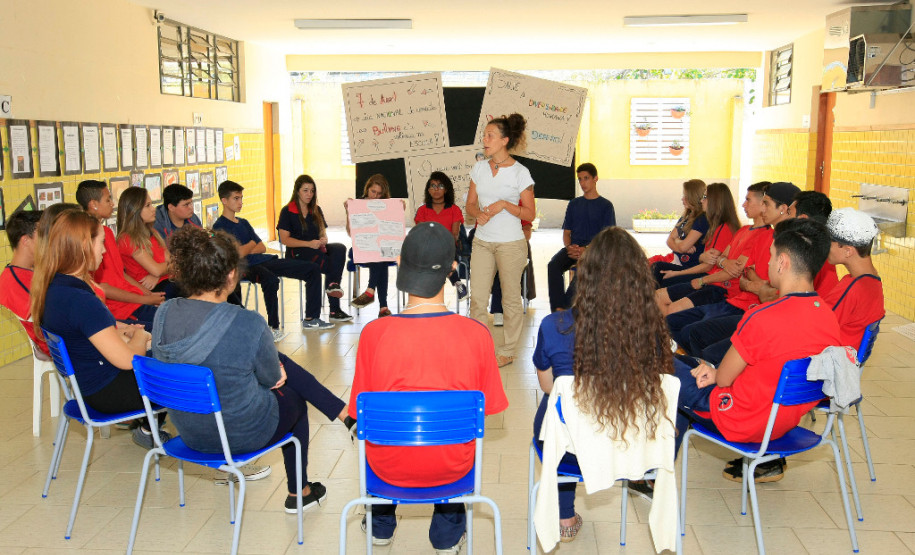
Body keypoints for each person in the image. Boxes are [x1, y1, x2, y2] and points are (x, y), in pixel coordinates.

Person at [151, 226, 355, 513]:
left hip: (190, 432)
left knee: (274, 361)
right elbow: (273, 380)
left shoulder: (164, 313)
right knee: (294, 396)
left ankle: (343, 414)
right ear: (233, 274)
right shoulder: (246, 322)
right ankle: (300, 491)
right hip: (239, 434)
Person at [348, 222, 509, 551]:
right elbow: (489, 408)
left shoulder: (373, 335)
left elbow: (358, 414)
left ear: (399, 265)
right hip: (451, 468)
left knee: (381, 436)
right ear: (453, 269)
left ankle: (380, 526)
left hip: (388, 468)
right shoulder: (478, 335)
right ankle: (447, 535)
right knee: (451, 440)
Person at [673, 218, 840, 483]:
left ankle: (650, 473)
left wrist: (715, 372)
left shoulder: (762, 315)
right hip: (784, 420)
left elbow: (725, 379)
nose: (769, 263)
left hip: (739, 419)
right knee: (688, 363)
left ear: (783, 263)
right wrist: (713, 371)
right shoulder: (829, 317)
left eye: (772, 257)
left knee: (659, 367)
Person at [533, 227, 673, 541]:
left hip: (567, 450)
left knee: (557, 403)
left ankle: (565, 516)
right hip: (627, 446)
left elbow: (547, 387)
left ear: (585, 274)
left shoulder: (554, 326)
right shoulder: (652, 330)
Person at [29, 209, 167, 449]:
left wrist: (124, 332)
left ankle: (149, 429)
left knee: (164, 350)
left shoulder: (55, 288)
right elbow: (128, 360)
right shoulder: (81, 300)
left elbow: (92, 333)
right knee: (185, 364)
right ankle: (198, 439)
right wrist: (140, 335)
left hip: (88, 388)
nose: (104, 250)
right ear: (84, 246)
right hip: (107, 393)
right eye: (101, 243)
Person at [667, 181, 798, 353]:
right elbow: (729, 263)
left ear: (783, 208)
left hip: (740, 301)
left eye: (765, 203)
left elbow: (752, 279)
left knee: (692, 332)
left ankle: (701, 371)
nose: (761, 208)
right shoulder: (747, 231)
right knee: (673, 321)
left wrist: (705, 278)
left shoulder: (775, 238)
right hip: (735, 298)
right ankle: (695, 368)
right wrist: (725, 264)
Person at [213, 180, 329, 337]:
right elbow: (236, 255)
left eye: (241, 198)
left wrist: (246, 247)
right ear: (224, 201)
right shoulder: (220, 226)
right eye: (236, 198)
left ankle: (311, 318)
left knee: (312, 269)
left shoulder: (244, 222)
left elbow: (261, 247)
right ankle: (273, 328)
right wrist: (250, 245)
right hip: (245, 266)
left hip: (264, 259)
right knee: (271, 280)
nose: (240, 202)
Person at [465, 113, 535, 367]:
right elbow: (470, 205)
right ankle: (480, 348)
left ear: (504, 140)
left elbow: (529, 213)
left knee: (510, 300)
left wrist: (506, 205)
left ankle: (507, 350)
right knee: (478, 299)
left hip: (511, 244)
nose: (484, 139)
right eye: (484, 135)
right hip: (482, 242)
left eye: (490, 135)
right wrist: (477, 214)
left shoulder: (521, 173)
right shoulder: (479, 168)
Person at [657, 182, 769, 317]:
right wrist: (720, 261)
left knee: (669, 304)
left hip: (718, 286)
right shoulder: (742, 230)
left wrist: (698, 277)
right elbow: (717, 259)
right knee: (659, 289)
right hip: (712, 280)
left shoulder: (730, 229)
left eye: (705, 197)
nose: (701, 201)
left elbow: (727, 267)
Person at [76, 180, 163, 329]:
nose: (112, 204)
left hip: (132, 300)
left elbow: (120, 274)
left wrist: (147, 294)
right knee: (167, 326)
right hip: (119, 309)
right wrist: (143, 299)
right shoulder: (87, 239)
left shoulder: (107, 232)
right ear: (93, 204)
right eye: (108, 199)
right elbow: (103, 287)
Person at [277, 174, 352, 324]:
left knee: (339, 248)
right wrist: (309, 243)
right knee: (325, 264)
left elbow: (322, 233)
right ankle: (334, 308)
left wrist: (323, 239)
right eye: (305, 190)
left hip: (315, 249)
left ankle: (332, 288)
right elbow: (285, 240)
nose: (309, 194)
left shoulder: (316, 209)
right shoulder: (287, 211)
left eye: (312, 191)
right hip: (297, 252)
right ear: (297, 191)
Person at [546, 163, 615, 312]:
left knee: (583, 270)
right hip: (573, 249)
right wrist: (569, 247)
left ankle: (563, 309)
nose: (583, 183)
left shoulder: (606, 206)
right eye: (580, 179)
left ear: (595, 178)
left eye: (586, 178)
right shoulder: (574, 204)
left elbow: (608, 238)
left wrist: (587, 250)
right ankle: (557, 308)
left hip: (595, 253)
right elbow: (566, 232)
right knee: (553, 266)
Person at [654, 183, 740, 295]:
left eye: (705, 197)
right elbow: (671, 240)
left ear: (715, 202)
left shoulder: (717, 226)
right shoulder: (711, 224)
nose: (701, 201)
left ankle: (644, 305)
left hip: (708, 279)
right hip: (702, 272)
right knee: (657, 268)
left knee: (660, 278)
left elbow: (708, 265)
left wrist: (677, 273)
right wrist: (683, 245)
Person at [823, 208, 885, 349]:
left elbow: (818, 324)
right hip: (850, 361)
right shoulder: (873, 280)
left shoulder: (852, 288)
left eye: (829, 242)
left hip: (833, 362)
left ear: (848, 251)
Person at [346, 174, 398, 318]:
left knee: (380, 254)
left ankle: (370, 291)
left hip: (380, 249)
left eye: (379, 193)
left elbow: (393, 230)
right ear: (367, 189)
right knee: (380, 257)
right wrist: (348, 211)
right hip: (362, 247)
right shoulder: (357, 204)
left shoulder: (386, 206)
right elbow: (351, 232)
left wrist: (398, 210)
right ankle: (383, 306)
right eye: (373, 192)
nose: (375, 196)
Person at [0, 210, 49, 354]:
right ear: (25, 241)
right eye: (42, 235)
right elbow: (45, 318)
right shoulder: (13, 281)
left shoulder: (28, 271)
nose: (48, 240)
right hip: (57, 345)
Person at [413, 171, 468, 300]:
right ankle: (457, 282)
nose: (436, 189)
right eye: (433, 186)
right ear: (428, 190)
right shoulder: (422, 210)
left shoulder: (455, 209)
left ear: (446, 190)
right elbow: (420, 233)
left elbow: (454, 235)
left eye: (440, 186)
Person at [117, 187, 178, 298]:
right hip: (151, 291)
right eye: (147, 206)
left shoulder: (152, 232)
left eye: (151, 204)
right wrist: (160, 272)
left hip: (166, 281)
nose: (153, 209)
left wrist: (158, 275)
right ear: (134, 210)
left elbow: (173, 261)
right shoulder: (127, 239)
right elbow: (157, 269)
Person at [650, 179, 708, 286]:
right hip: (677, 259)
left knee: (656, 268)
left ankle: (649, 300)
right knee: (646, 265)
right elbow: (669, 240)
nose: (682, 199)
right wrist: (680, 241)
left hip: (688, 266)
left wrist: (679, 243)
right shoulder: (687, 215)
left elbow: (682, 248)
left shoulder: (701, 219)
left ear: (693, 197)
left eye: (685, 196)